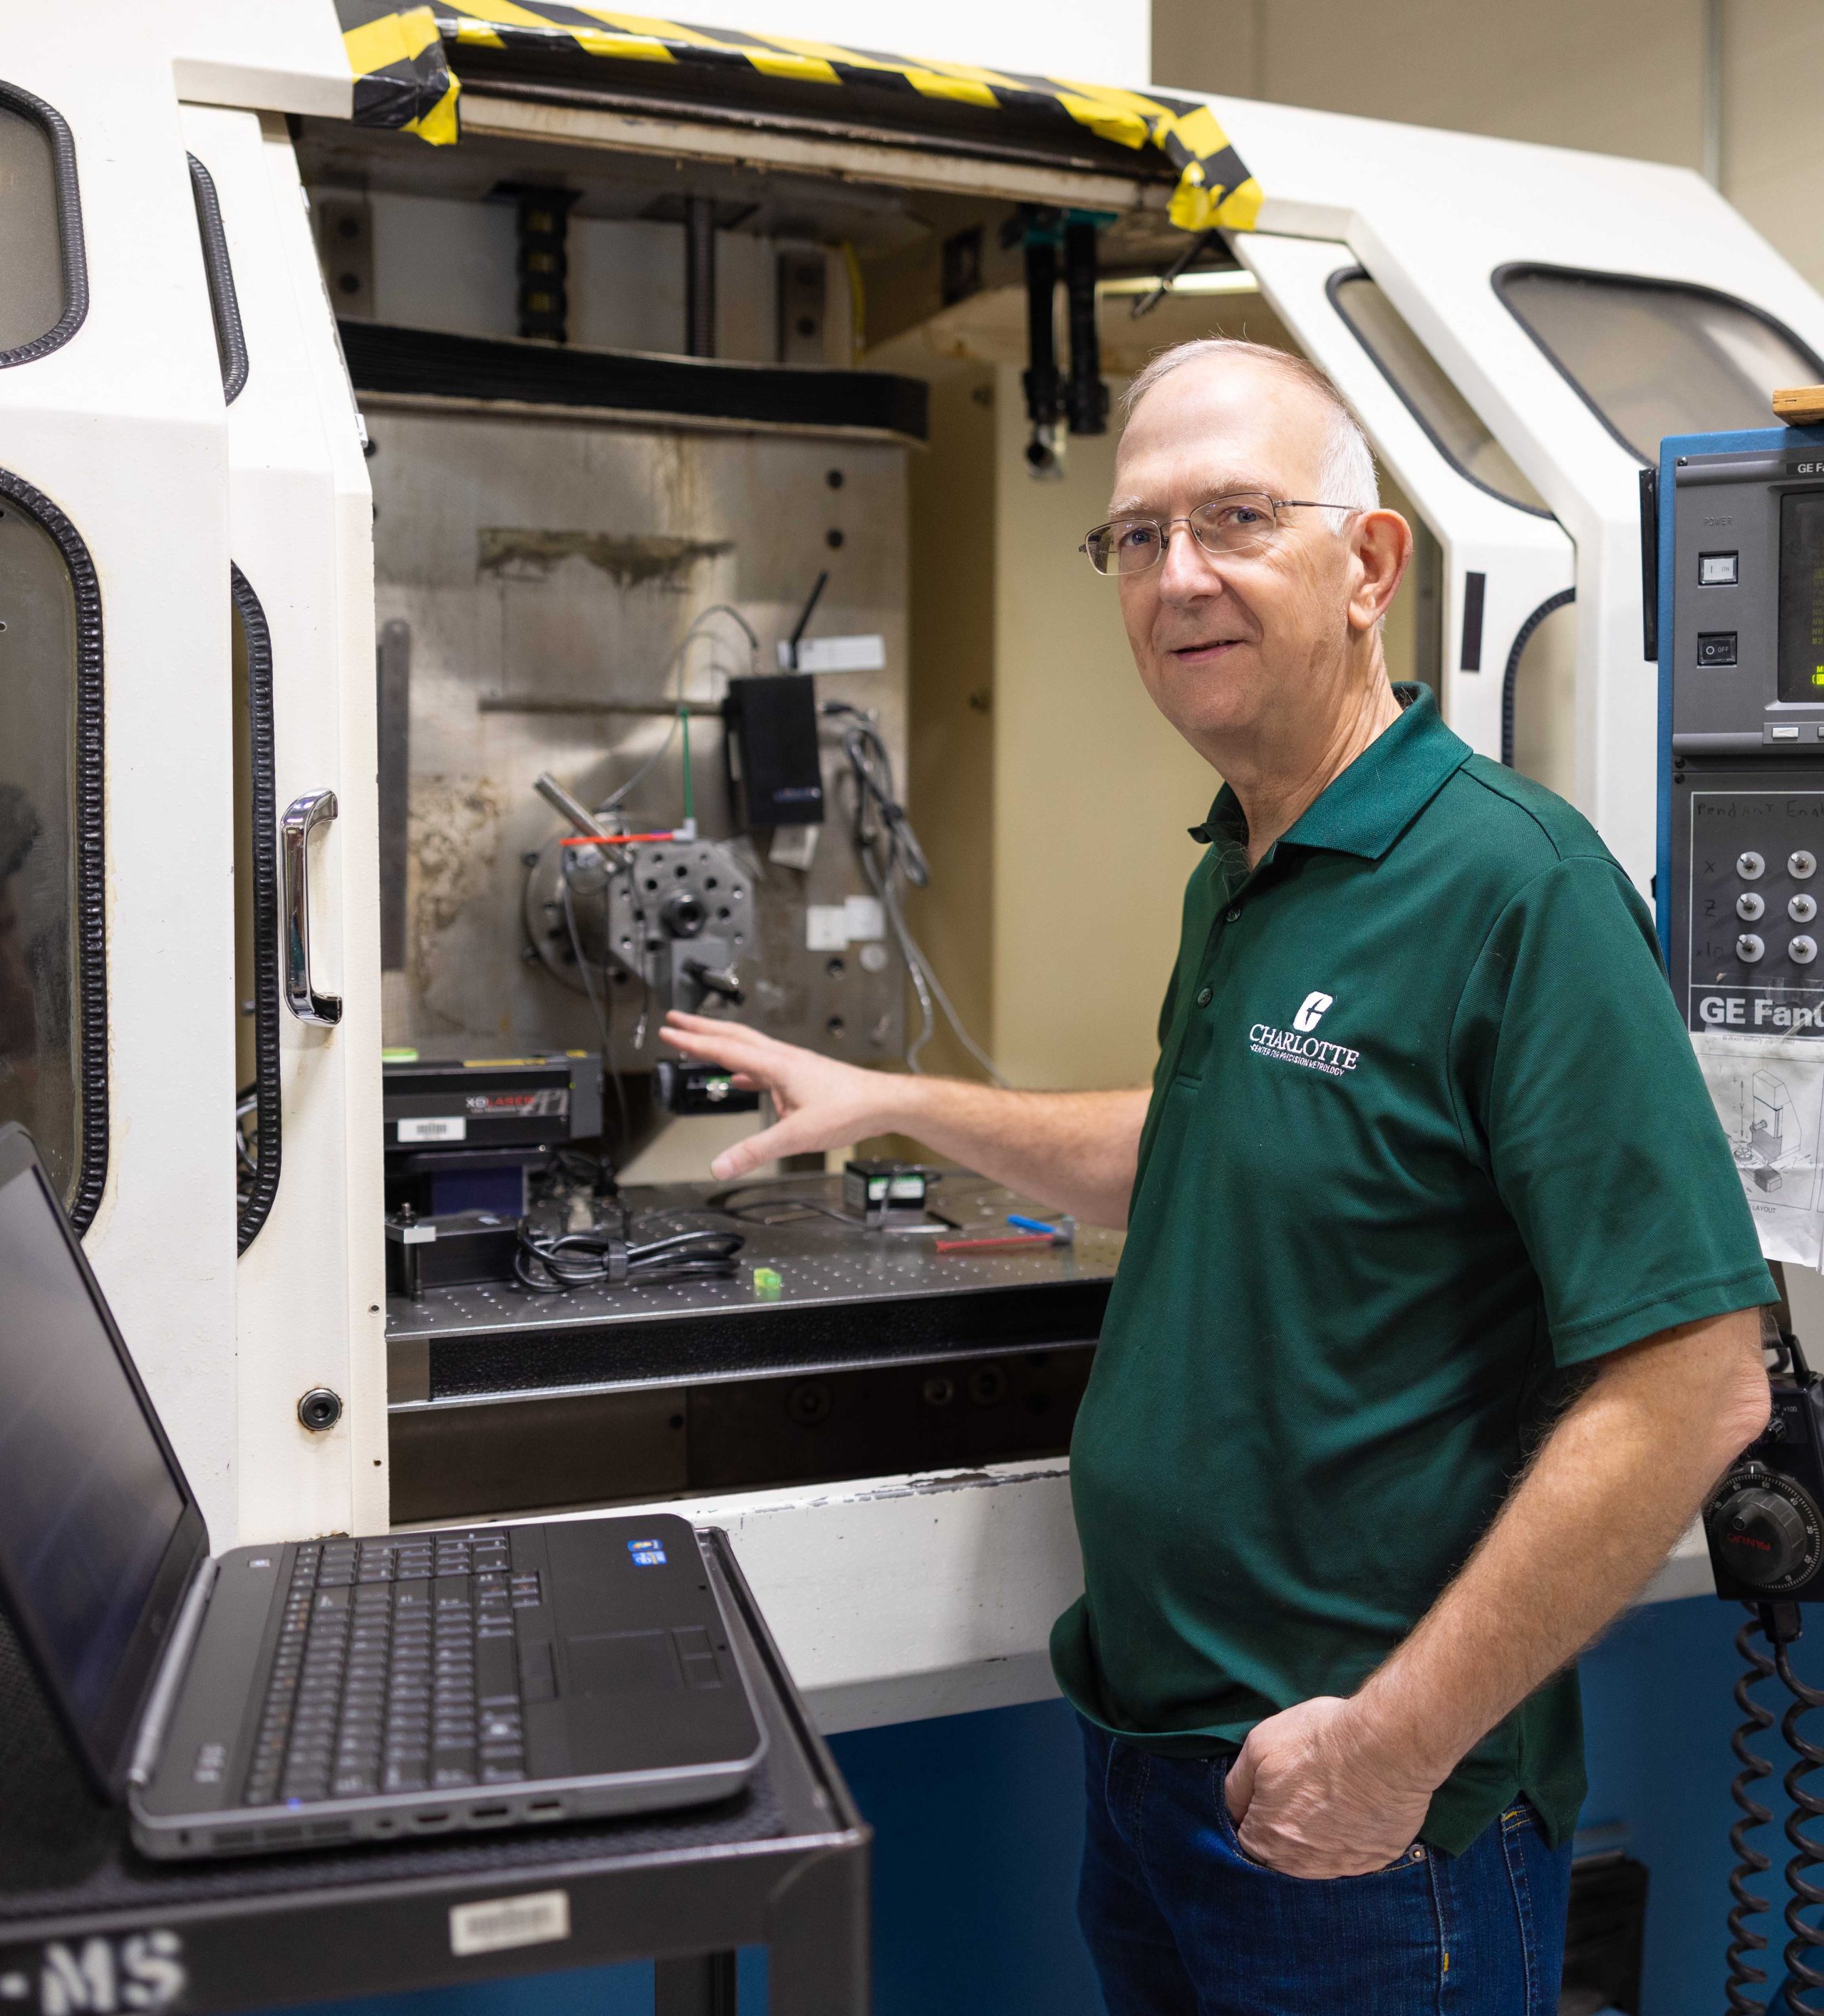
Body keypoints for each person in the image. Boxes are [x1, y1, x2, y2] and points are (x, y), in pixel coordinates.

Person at [662, 338, 1775, 2014]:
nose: (1178, 574)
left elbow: (1694, 1382)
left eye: (1238, 518)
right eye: (1136, 535)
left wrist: (1389, 1746)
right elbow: (1189, 1140)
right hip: (1158, 1770)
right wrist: (888, 1098)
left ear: (1367, 565)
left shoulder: (1508, 886)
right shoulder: (1248, 861)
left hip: (1368, 1823)